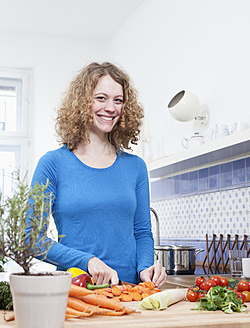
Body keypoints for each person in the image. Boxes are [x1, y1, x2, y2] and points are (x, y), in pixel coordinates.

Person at [30, 62, 166, 287]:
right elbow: (32, 240)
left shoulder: (136, 167)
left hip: (128, 291)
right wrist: (87, 261)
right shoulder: (53, 164)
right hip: (76, 290)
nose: (111, 108)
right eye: (101, 98)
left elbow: (142, 231)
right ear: (82, 102)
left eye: (118, 100)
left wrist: (145, 268)